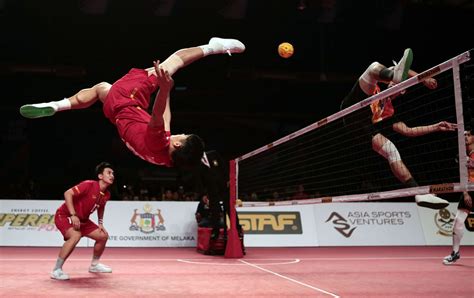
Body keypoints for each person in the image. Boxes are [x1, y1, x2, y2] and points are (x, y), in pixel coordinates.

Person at [19, 37, 245, 169]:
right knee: (100, 89)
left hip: (129, 98)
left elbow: (158, 117)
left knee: (173, 62)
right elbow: (166, 120)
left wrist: (164, 89)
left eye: (183, 136)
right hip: (116, 114)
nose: (180, 134)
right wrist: (199, 156)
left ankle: (213, 46)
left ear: (177, 145)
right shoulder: (166, 159)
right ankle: (57, 106)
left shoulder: (159, 141)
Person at [340, 48, 457, 209]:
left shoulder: (388, 110)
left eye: (400, 91)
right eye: (397, 86)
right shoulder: (375, 88)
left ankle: (418, 192)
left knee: (392, 151)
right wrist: (423, 78)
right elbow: (401, 70)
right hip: (353, 108)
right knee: (373, 67)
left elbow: (408, 131)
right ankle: (395, 76)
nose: (397, 92)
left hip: (362, 128)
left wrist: (436, 127)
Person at [51, 162, 115, 280]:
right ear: (100, 176)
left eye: (113, 173)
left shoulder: (106, 194)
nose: (112, 175)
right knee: (76, 235)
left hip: (83, 220)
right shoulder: (89, 185)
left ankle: (94, 265)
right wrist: (73, 214)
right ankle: (56, 270)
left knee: (103, 236)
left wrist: (100, 223)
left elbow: (101, 206)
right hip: (65, 215)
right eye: (109, 173)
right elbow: (68, 193)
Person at [443, 129, 474, 264]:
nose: (465, 137)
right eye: (464, 135)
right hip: (469, 190)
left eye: (468, 135)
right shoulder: (462, 156)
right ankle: (455, 253)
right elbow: (463, 177)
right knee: (458, 221)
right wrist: (465, 192)